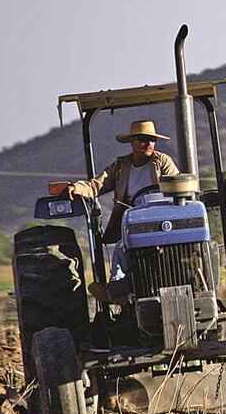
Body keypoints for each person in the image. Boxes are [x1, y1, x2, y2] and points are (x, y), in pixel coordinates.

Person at [64, 120, 179, 304]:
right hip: (133, 221)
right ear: (132, 142)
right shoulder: (121, 166)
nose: (147, 144)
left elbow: (176, 187)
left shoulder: (162, 162)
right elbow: (96, 185)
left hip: (162, 221)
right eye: (142, 139)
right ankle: (117, 291)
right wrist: (76, 188)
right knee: (121, 248)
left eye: (151, 140)